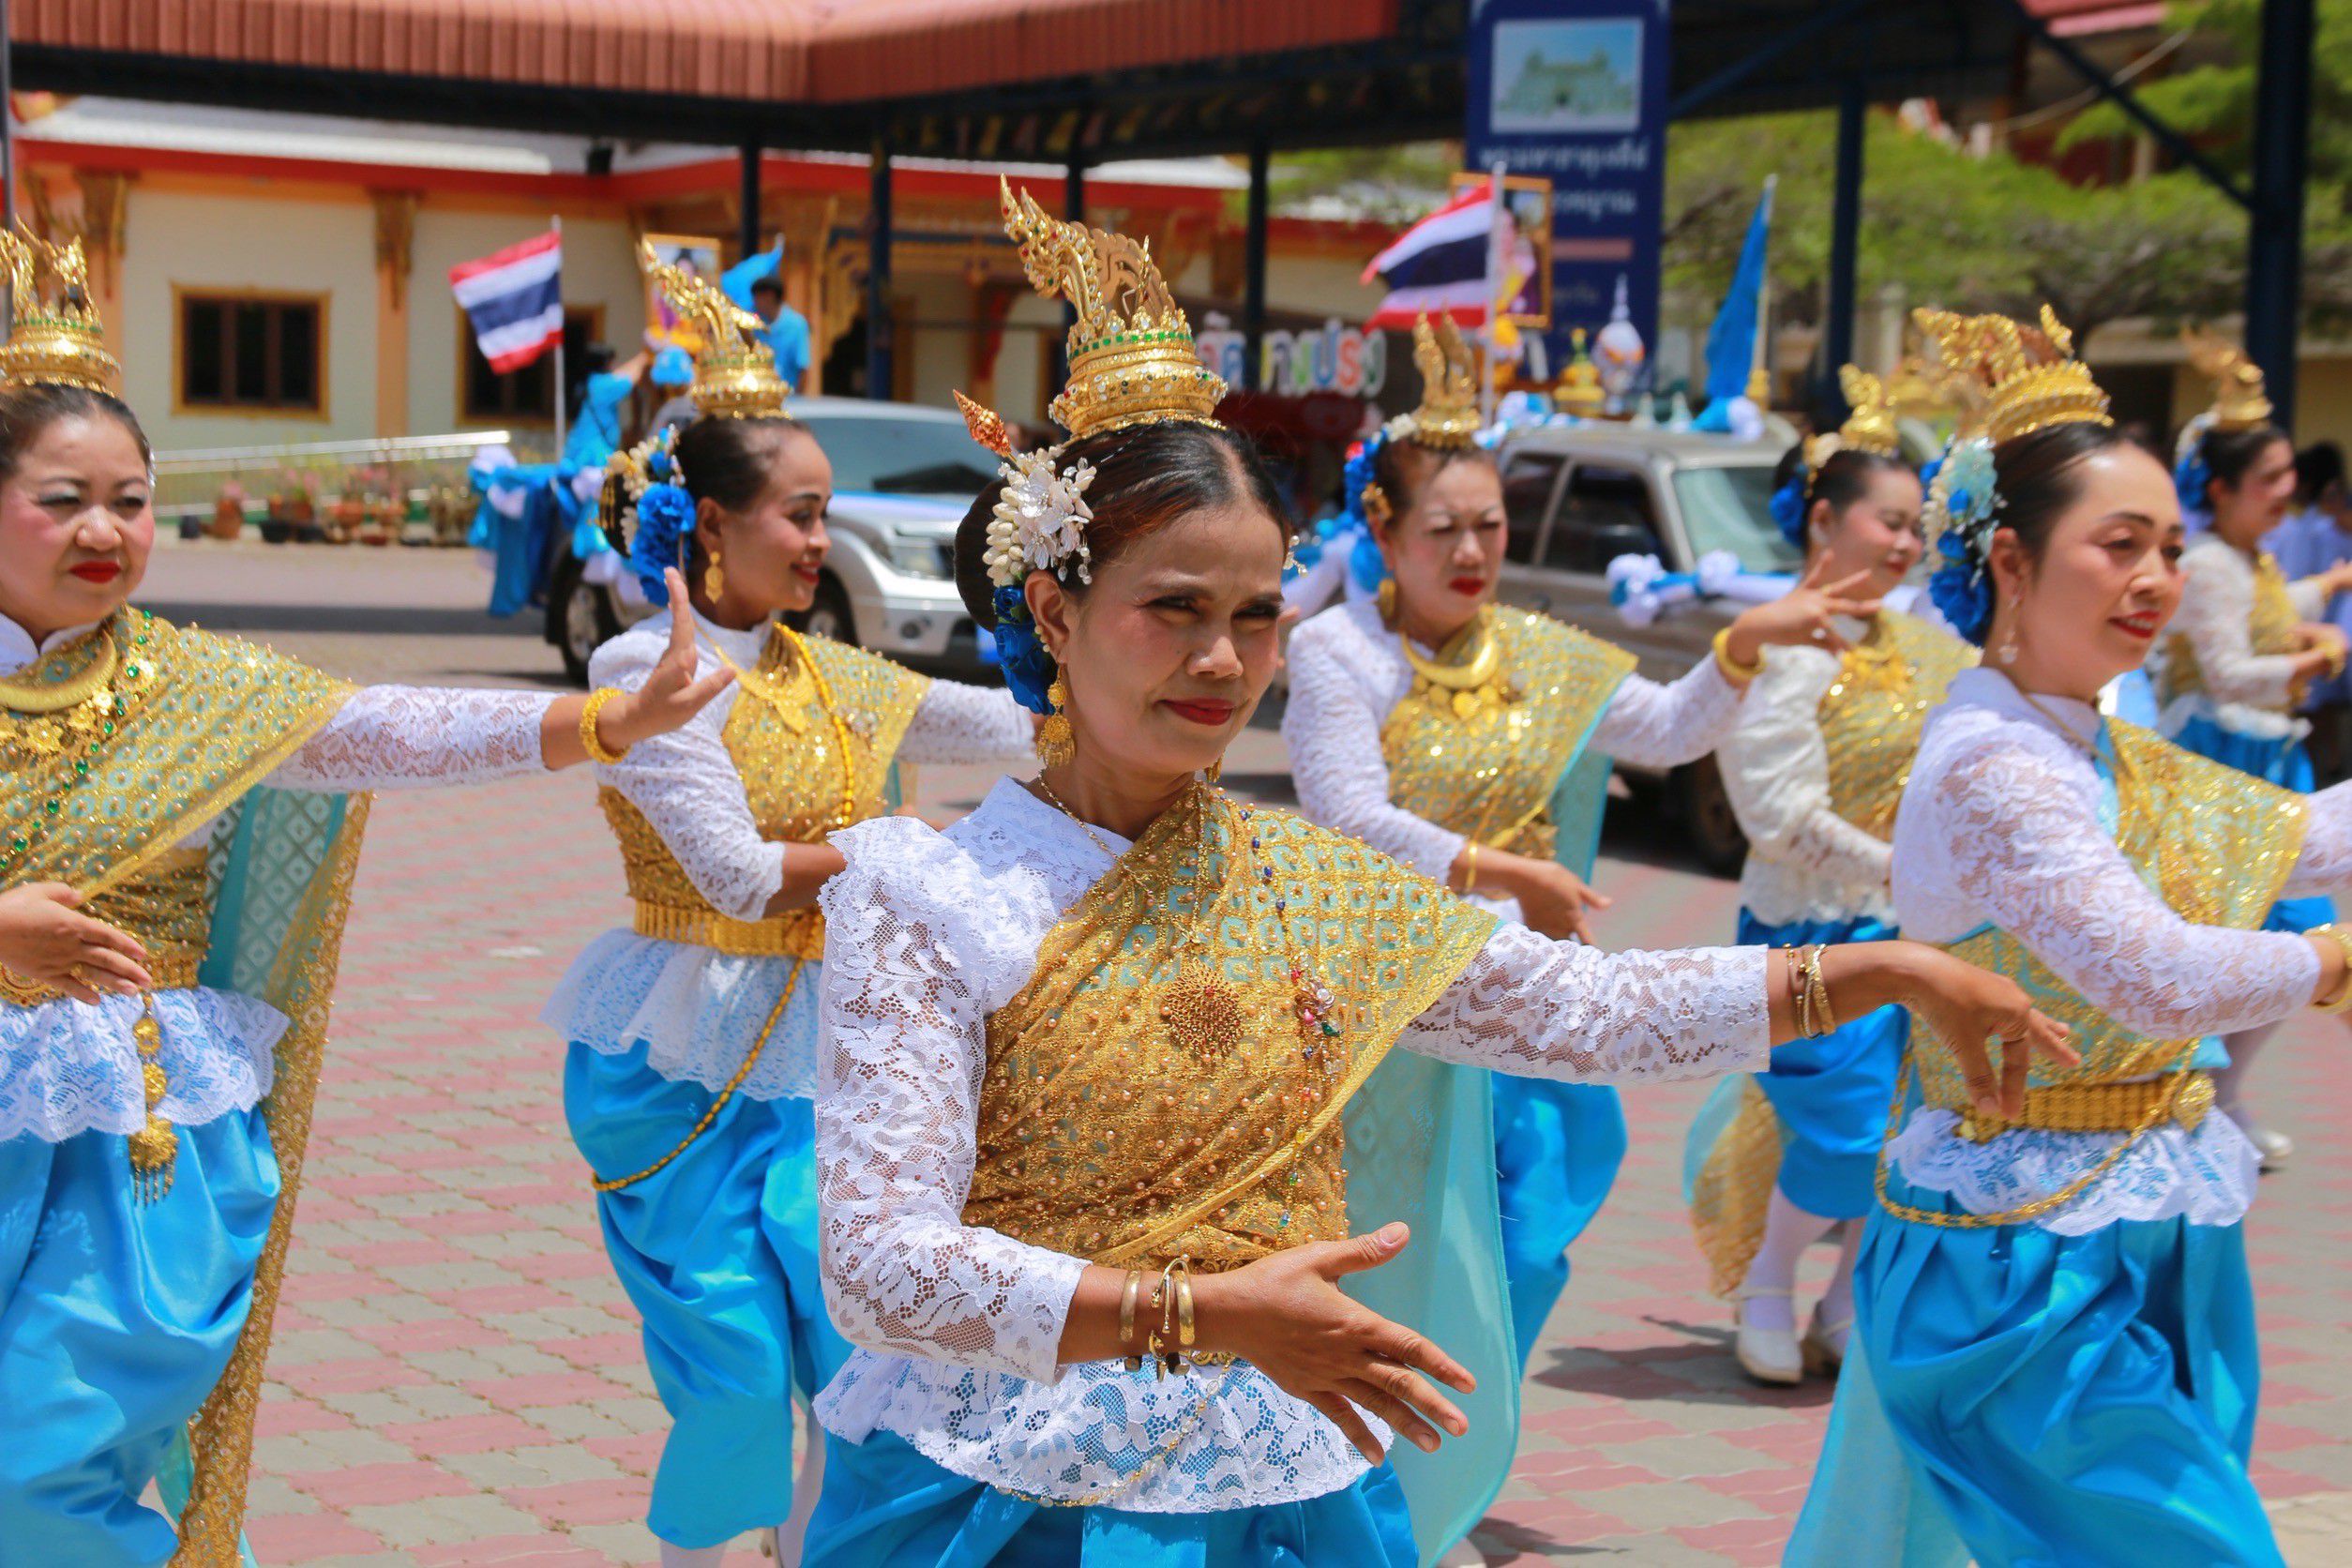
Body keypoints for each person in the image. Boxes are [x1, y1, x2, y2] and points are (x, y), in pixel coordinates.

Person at [797, 185, 2067, 1568]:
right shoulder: (932, 894)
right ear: (1054, 610)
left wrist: (1877, 969)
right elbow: (875, 1267)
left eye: (1255, 615)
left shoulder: (1316, 888)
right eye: (1174, 609)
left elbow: (1582, 1010)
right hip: (1009, 1490)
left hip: (1278, 1479)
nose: (1223, 663)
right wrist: (1206, 1314)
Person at [0, 231, 727, 1566]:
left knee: (45, 1460)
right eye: (64, 499)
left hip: (136, 1143)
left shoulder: (194, 689)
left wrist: (606, 721)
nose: (106, 531)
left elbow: (387, 726)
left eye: (133, 498)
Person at [1787, 308, 2352, 1568]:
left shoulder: (2085, 743)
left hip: (2132, 1220)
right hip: (2016, 1269)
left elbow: (2298, 838)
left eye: (2168, 545)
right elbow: (2154, 978)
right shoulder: (1997, 764)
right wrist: (2331, 960)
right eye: (2119, 546)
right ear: (2013, 561)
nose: (2155, 579)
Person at [543, 242, 1035, 1568]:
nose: (824, 539)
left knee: (857, 1355)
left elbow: (1013, 723)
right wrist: (902, 847)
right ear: (710, 523)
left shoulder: (837, 674)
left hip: (835, 1047)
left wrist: (1101, 639)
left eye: (827, 511)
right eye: (800, 513)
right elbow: (738, 875)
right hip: (681, 1051)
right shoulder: (644, 666)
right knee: (734, 1364)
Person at [1281, 313, 1883, 1372]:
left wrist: (1739, 647)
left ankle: (1464, 1440)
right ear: (1383, 533)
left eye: (1493, 527)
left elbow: (1668, 728)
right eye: (1444, 531)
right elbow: (1347, 815)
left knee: (1530, 1232)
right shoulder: (1340, 649)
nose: (1473, 553)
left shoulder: (1539, 651)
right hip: (1386, 989)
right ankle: (1394, 1486)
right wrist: (1508, 871)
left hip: (1530, 982)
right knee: (1408, 1236)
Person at [1686, 366, 1971, 1385]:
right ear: (1822, 520)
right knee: (1845, 1128)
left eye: (1914, 526)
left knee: (1913, 1130)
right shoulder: (1784, 642)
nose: (1904, 544)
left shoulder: (1924, 647)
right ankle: (1766, 1275)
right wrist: (1899, 870)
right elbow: (1776, 812)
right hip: (1817, 928)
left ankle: (1845, 1298)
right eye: (1886, 522)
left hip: (1922, 928)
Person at [2156, 333, 2352, 1169]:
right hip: (2218, 762)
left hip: (2269, 760)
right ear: (2223, 488)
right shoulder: (2207, 563)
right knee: (2236, 938)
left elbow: (2266, 609)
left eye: (2288, 479)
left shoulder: (2248, 557)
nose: (2286, 493)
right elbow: (2233, 672)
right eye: (2268, 480)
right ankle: (2200, 1096)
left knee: (2294, 931)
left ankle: (2222, 1093)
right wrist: (2315, 658)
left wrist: (2325, 591)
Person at [2267, 442, 2352, 782]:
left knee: (2318, 709)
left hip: (2321, 623)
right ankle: (2327, 767)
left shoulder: (2309, 527)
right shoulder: (2311, 527)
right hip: (2320, 623)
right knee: (2319, 711)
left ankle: (2327, 767)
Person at [722, 245, 814, 390]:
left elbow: (803, 369)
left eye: (757, 297)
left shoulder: (797, 325)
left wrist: (798, 400)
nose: (754, 302)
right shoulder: (754, 324)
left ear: (769, 296)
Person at [567, 342, 653, 469]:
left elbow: (619, 375)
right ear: (606, 364)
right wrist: (646, 354)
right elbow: (630, 377)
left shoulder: (594, 382)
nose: (616, 366)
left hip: (581, 453)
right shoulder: (603, 387)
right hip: (592, 458)